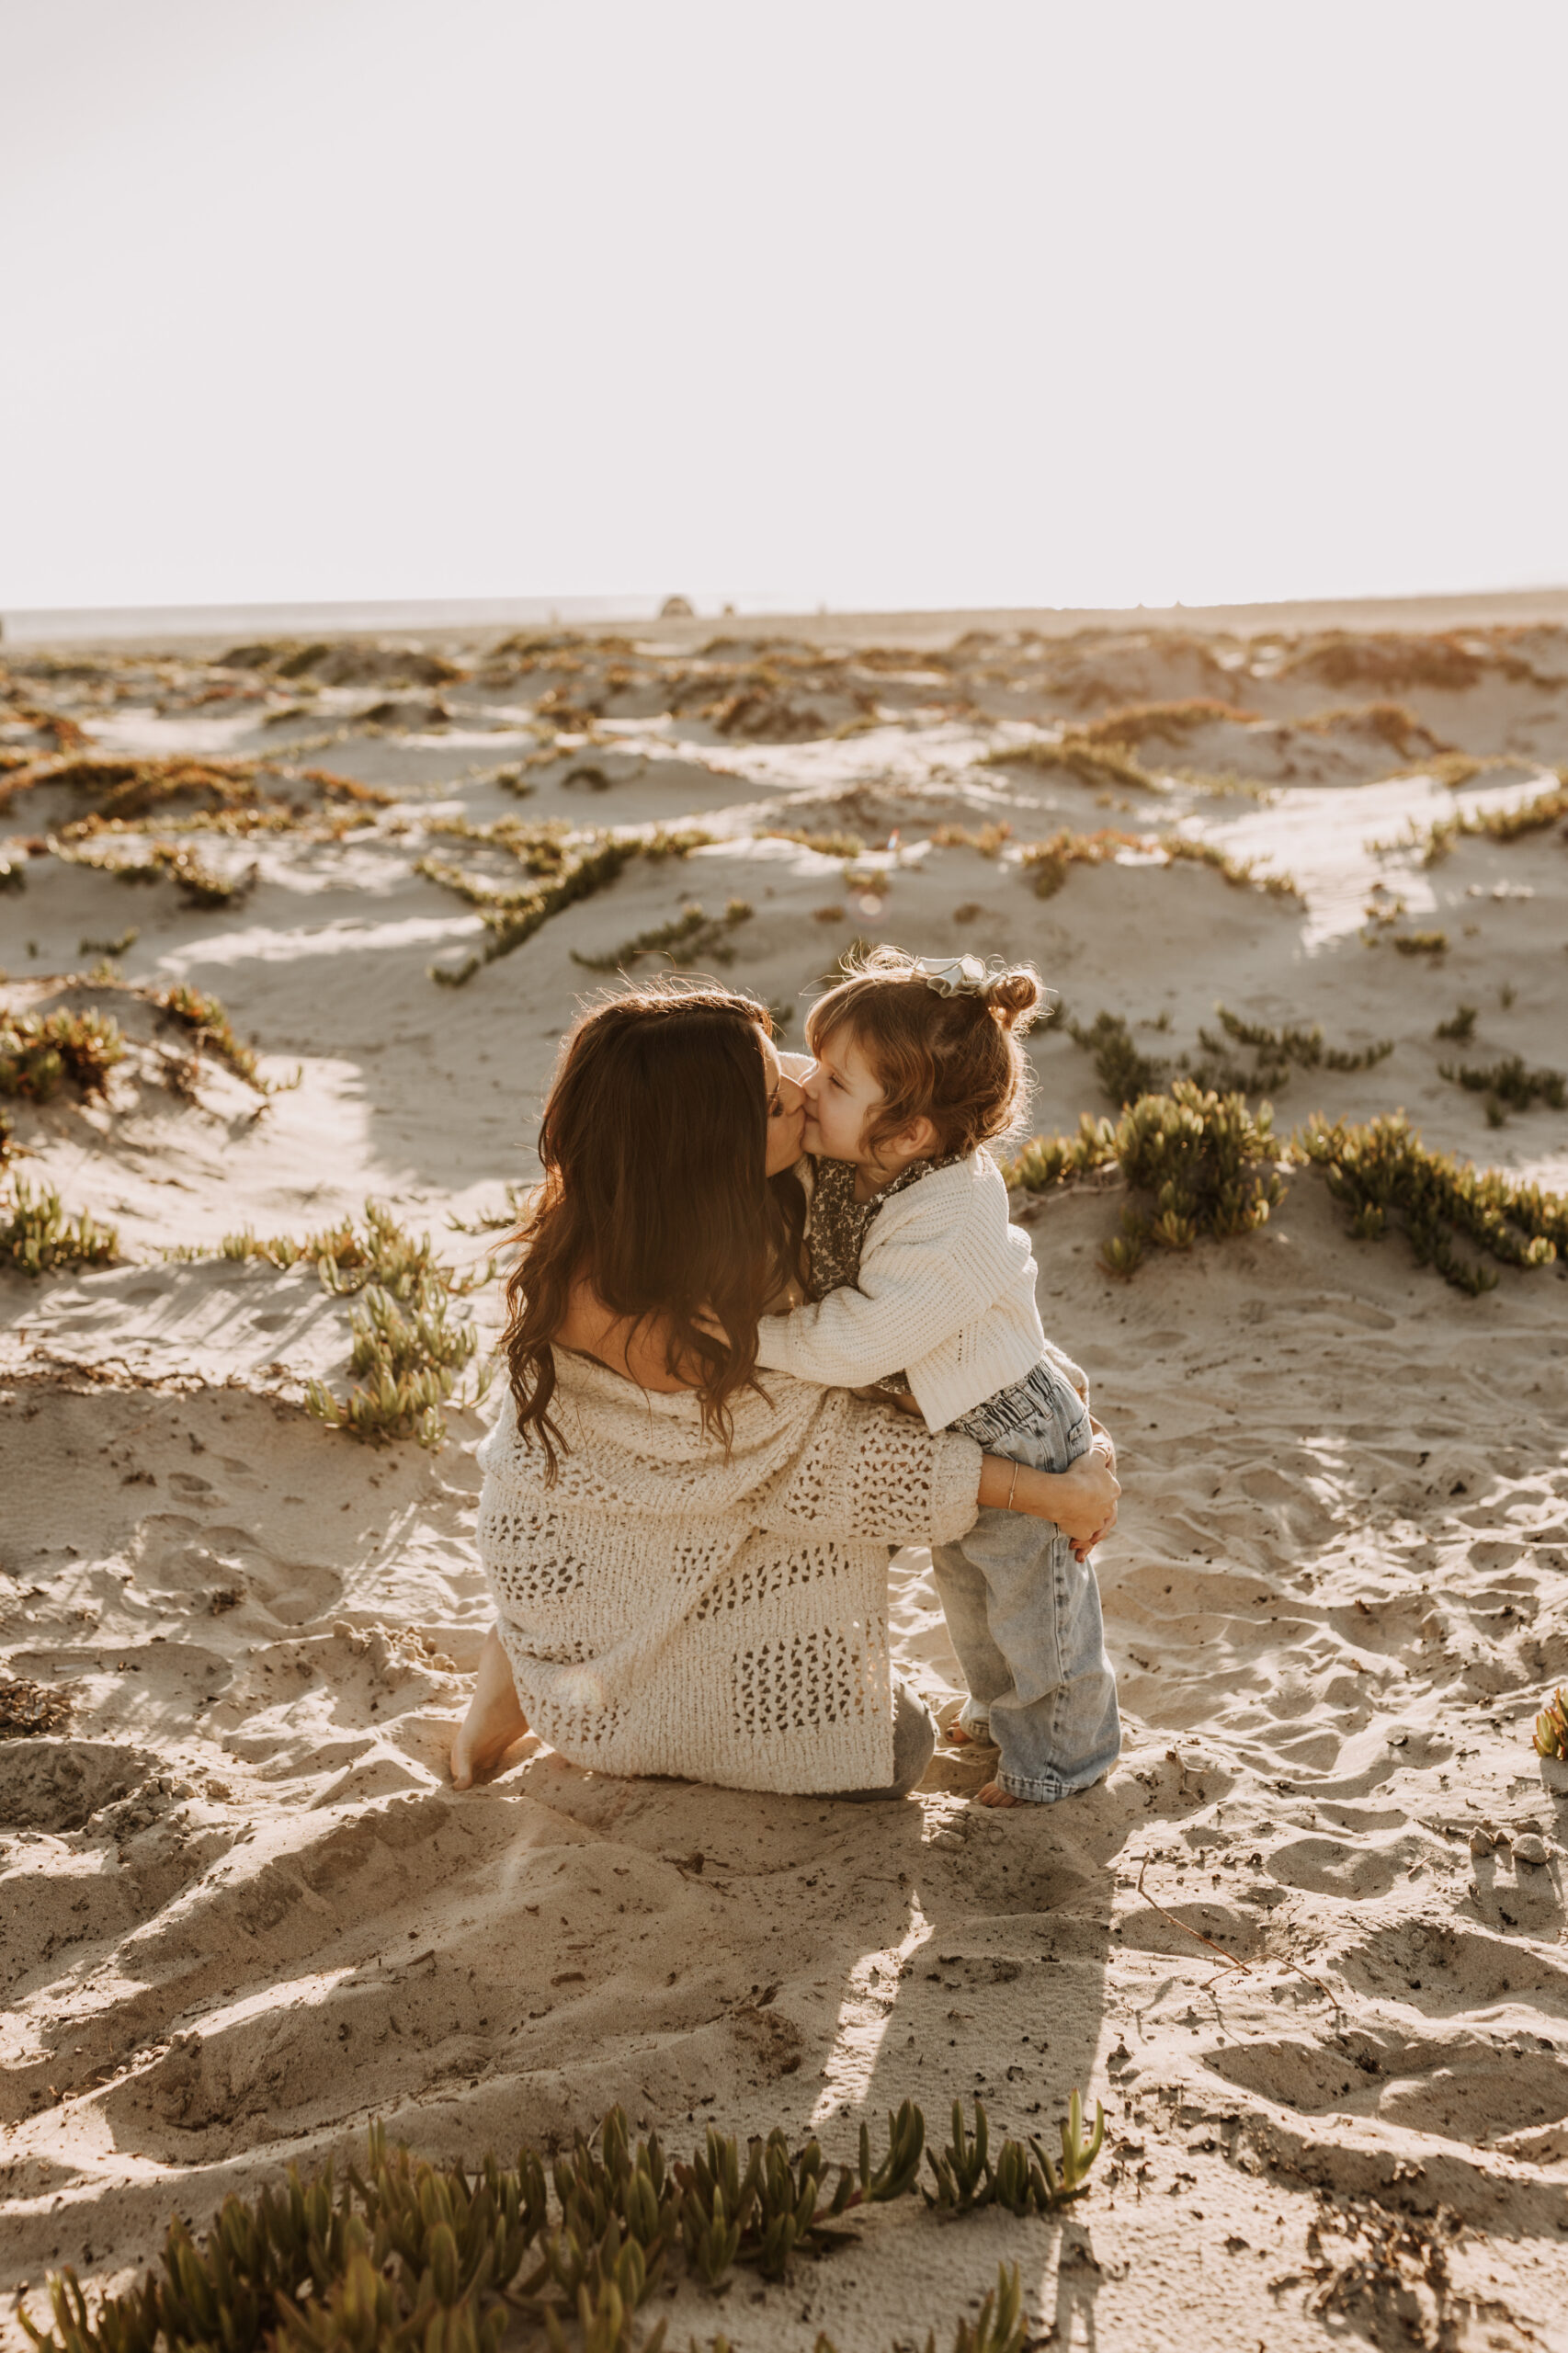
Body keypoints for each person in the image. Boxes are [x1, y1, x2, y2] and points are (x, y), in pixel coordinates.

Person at [450, 982, 1119, 1801]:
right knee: (891, 1748)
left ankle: (519, 1673)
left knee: (991, 1574)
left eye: (801, 1074)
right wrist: (1052, 1491)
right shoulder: (641, 1322)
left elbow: (954, 1280)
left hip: (649, 1542)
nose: (803, 1092)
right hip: (616, 1589)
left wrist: (1061, 1416)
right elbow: (821, 1463)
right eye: (775, 1099)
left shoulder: (677, 1189)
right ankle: (527, 1678)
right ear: (709, 1144)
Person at [749, 945, 1119, 1809]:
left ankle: (1065, 1755)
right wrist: (830, 1064)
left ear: (910, 1131)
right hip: (953, 1417)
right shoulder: (873, 1146)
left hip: (1011, 1418)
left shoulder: (946, 1210)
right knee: (970, 1590)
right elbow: (808, 1071)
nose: (808, 1089)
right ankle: (1000, 1712)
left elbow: (863, 1339)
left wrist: (757, 1342)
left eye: (835, 1083)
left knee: (1037, 1600)